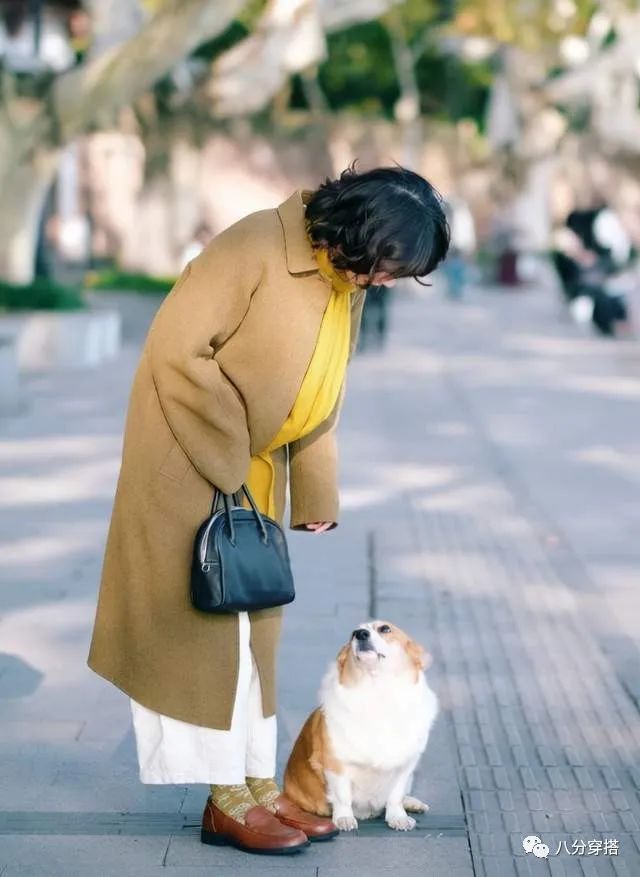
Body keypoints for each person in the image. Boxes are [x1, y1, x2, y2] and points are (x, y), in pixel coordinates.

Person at [86, 164, 450, 856]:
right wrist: (230, 451)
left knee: (257, 635)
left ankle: (255, 782)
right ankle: (224, 799)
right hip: (190, 461)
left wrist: (315, 492)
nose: (384, 282)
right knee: (208, 639)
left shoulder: (344, 277)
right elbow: (176, 351)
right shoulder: (251, 248)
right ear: (356, 231)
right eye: (386, 267)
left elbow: (321, 388)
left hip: (251, 473)